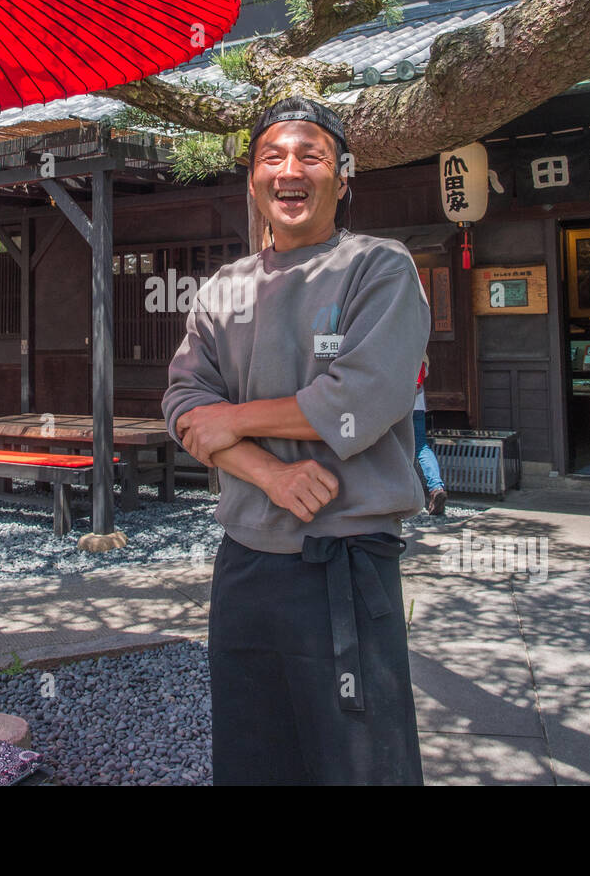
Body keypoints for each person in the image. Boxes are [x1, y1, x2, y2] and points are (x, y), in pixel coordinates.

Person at [163, 96, 430, 785]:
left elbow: (362, 396)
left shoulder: (380, 267)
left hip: (345, 562)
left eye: (310, 155)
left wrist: (239, 418)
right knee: (253, 754)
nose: (290, 170)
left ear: (342, 178)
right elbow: (187, 403)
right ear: (252, 179)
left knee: (360, 761)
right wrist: (271, 475)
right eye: (272, 157)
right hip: (246, 562)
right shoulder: (225, 288)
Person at [414, 352, 447, 515]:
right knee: (421, 447)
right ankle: (436, 487)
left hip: (398, 406)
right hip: (418, 406)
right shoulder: (420, 353)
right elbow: (425, 373)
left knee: (397, 447)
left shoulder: (392, 344)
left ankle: (404, 491)